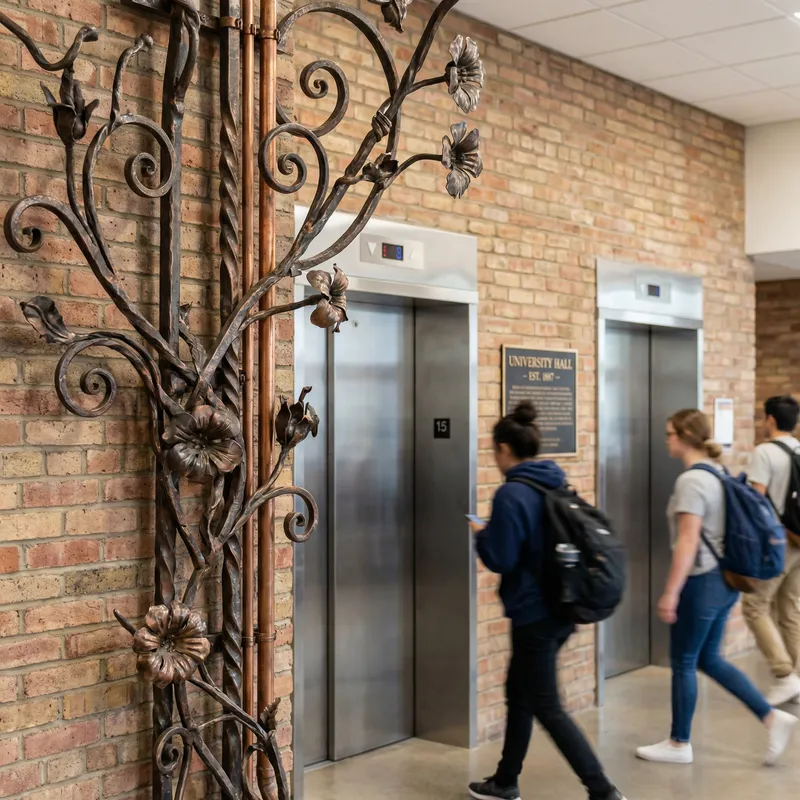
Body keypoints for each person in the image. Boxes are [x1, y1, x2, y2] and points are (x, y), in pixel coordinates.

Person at [468, 401, 626, 800]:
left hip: (534, 613)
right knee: (518, 693)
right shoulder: (554, 481)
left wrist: (481, 533)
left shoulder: (512, 494)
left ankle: (603, 791)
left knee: (546, 706)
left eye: (494, 450)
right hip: (558, 607)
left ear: (504, 449)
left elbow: (501, 557)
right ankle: (505, 781)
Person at [636, 409, 797, 766]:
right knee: (708, 658)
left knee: (683, 661)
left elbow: (688, 542)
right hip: (725, 581)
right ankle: (772, 717)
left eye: (669, 434)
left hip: (701, 581)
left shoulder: (691, 481)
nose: (666, 440)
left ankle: (679, 743)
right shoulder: (718, 472)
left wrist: (670, 592)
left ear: (683, 437)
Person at [743, 395, 800, 706]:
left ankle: (783, 673)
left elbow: (756, 502)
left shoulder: (765, 452)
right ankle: (797, 680)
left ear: (771, 420)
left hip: (777, 544)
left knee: (754, 606)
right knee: (790, 608)